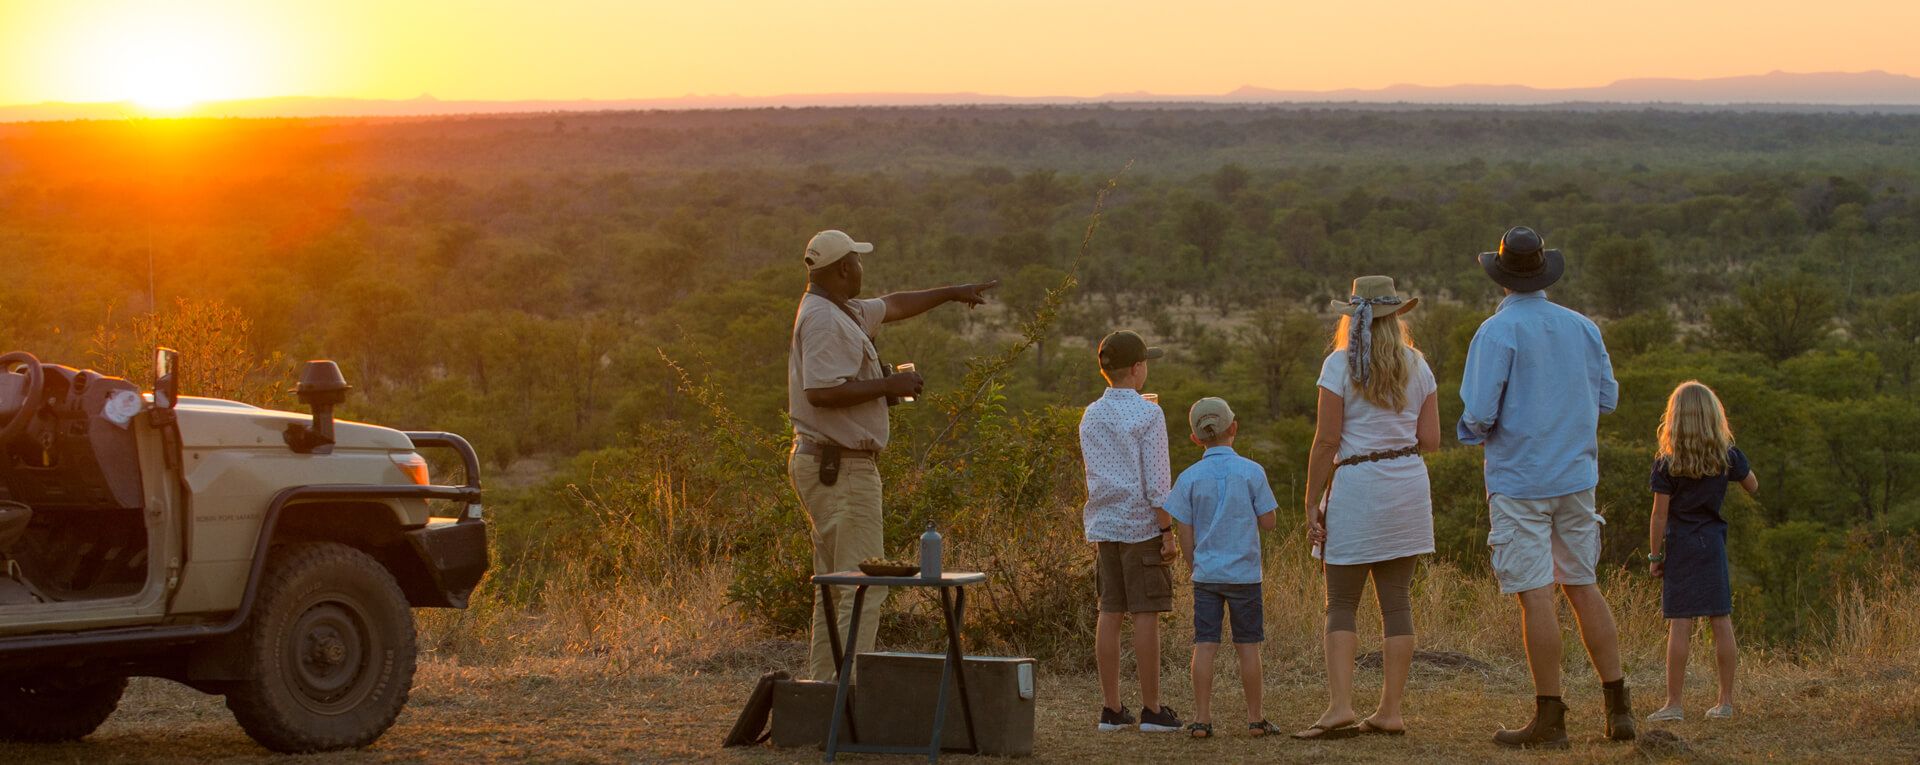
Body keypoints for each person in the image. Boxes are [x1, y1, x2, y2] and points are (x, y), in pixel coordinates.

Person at [788, 229, 997, 682]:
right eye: (858, 262)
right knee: (863, 587)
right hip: (840, 467)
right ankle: (844, 699)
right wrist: (889, 386)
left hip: (829, 464)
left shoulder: (841, 309)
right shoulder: (824, 319)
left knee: (839, 587)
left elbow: (896, 303)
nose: (863, 268)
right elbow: (820, 392)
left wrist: (950, 293)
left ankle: (824, 698)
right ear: (844, 268)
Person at [1457, 226, 1634, 748]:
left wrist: (1480, 431)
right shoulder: (1583, 327)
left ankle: (1550, 719)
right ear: (1543, 271)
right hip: (1576, 478)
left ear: (1502, 275)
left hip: (1519, 481)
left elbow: (1480, 413)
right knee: (1582, 585)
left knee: (1536, 597)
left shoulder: (1496, 332)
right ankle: (1618, 708)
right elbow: (1607, 400)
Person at [1295, 275, 1440, 740]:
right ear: (1396, 317)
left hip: (1358, 485)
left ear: (1351, 317)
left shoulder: (1339, 365)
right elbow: (1431, 440)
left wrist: (1311, 500)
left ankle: (1340, 707)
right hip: (1407, 484)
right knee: (1396, 604)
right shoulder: (1419, 366)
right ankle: (1389, 711)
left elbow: (1327, 441)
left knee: (1340, 602)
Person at [1079, 330, 1182, 733]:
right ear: (1137, 368)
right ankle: (1152, 709)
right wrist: (1167, 530)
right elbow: (1158, 483)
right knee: (1145, 614)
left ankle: (1111, 708)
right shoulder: (1148, 414)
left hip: (1104, 524)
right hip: (1141, 525)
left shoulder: (1091, 414)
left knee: (1109, 611)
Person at [1163, 397, 1281, 739]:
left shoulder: (1188, 478)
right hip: (1244, 575)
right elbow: (1269, 522)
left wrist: (1193, 565)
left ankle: (1201, 719)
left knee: (1205, 644)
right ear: (1234, 427)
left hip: (1206, 575)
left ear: (1195, 438)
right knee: (1248, 647)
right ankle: (1255, 719)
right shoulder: (1251, 471)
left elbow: (1185, 531)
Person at [1645, 381, 1758, 723]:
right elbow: (1753, 485)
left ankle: (1674, 704)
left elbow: (1659, 514)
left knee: (1680, 622)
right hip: (1712, 544)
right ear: (1713, 415)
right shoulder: (1727, 455)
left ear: (1675, 417)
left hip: (1680, 544)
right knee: (1720, 618)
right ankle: (1724, 702)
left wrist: (1655, 556)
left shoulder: (1667, 462)